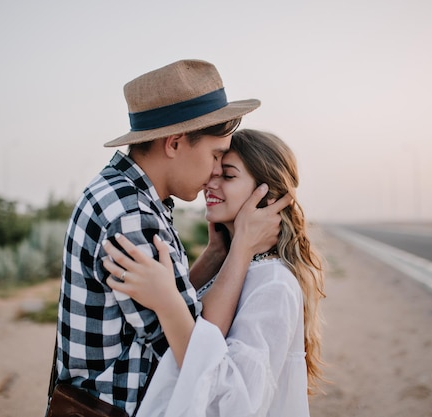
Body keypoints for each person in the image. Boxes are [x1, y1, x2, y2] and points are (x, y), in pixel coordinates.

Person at [54, 60, 292, 416]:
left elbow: (165, 304)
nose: (214, 171)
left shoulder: (126, 194)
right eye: (215, 156)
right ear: (175, 143)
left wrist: (214, 255)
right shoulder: (131, 216)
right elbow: (192, 349)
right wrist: (241, 247)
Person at [103, 128, 327, 417]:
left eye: (228, 175)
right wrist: (218, 254)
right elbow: (198, 322)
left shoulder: (274, 284)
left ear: (267, 194)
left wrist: (168, 302)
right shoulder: (234, 266)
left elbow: (233, 403)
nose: (211, 182)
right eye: (214, 170)